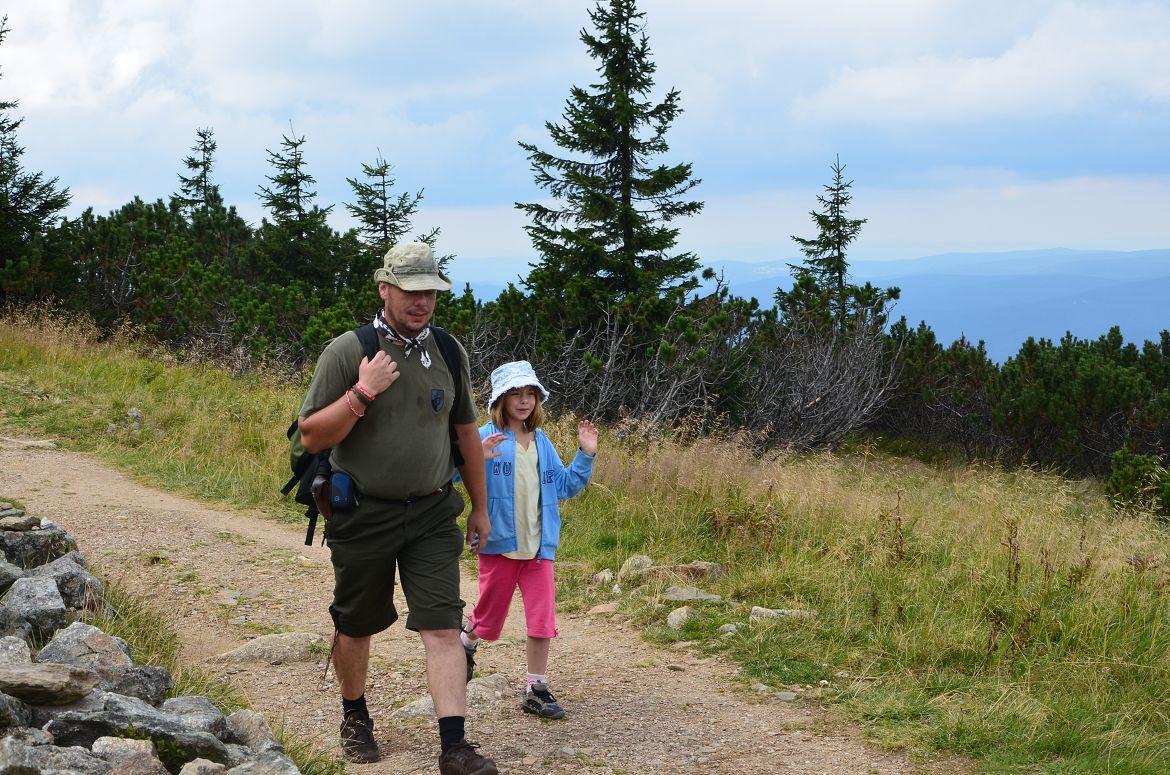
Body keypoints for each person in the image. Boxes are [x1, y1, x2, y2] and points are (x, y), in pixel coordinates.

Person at [298, 241, 498, 774]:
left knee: (442, 625)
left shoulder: (448, 351)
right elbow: (312, 435)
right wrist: (362, 393)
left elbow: (466, 433)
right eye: (410, 291)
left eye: (430, 291)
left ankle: (454, 747)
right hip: (364, 513)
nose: (421, 301)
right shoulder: (349, 351)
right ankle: (355, 714)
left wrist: (480, 507)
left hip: (432, 512)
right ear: (384, 289)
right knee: (356, 624)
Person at [459, 360, 598, 720]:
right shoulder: (484, 435)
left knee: (541, 619)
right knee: (488, 619)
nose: (523, 401)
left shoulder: (542, 442)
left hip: (539, 550)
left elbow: (565, 486)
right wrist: (473, 456)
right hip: (498, 547)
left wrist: (585, 454)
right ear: (501, 399)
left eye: (530, 394)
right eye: (515, 394)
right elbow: (451, 477)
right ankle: (466, 641)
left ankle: (535, 688)